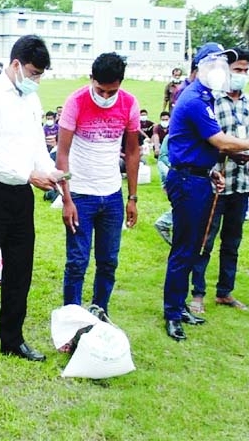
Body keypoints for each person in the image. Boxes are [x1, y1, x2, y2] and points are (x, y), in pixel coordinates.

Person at [0, 35, 64, 379]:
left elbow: (35, 141)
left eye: (41, 76)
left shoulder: (30, 100)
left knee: (20, 270)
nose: (36, 81)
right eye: (33, 73)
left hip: (20, 196)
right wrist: (30, 174)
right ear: (16, 64)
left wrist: (48, 171)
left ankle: (12, 339)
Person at [162, 42, 249, 342]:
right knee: (184, 248)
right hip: (187, 182)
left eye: (226, 66)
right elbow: (221, 141)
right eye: (218, 65)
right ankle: (172, 312)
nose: (223, 71)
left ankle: (179, 305)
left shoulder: (206, 97)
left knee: (191, 246)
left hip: (199, 177)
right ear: (201, 67)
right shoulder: (196, 99)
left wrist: (210, 169)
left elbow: (200, 145)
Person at [56, 52, 140, 318]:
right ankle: (71, 319)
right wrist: (67, 199)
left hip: (112, 195)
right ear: (91, 79)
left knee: (108, 261)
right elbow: (62, 153)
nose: (105, 97)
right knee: (78, 261)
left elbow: (133, 152)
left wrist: (133, 197)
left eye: (111, 91)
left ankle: (99, 312)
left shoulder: (128, 104)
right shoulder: (76, 101)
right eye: (100, 90)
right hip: (81, 194)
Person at [189, 48, 249, 314]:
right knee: (205, 238)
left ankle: (225, 291)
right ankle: (197, 292)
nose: (240, 75)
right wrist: (230, 151)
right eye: (236, 70)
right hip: (216, 181)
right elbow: (209, 143)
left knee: (233, 241)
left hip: (241, 183)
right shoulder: (212, 102)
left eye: (244, 70)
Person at [151, 111, 171, 184]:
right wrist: (157, 148)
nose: (164, 121)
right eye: (163, 120)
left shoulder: (172, 127)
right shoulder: (157, 127)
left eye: (166, 119)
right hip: (160, 145)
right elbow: (156, 136)